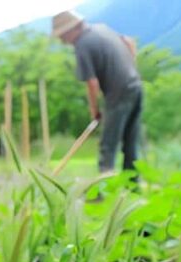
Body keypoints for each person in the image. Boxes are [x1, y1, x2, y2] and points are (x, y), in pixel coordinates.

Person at [52, 10, 143, 176]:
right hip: (135, 85)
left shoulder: (83, 44)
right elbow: (128, 42)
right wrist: (131, 68)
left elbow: (92, 82)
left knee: (108, 144)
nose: (63, 41)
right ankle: (132, 187)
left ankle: (102, 187)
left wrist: (94, 110)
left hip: (118, 91)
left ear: (71, 29)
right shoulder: (102, 29)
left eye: (62, 36)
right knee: (130, 141)